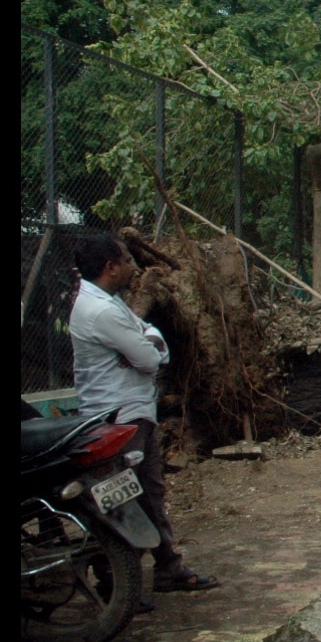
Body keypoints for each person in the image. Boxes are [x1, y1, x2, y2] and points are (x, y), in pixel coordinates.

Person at [70, 232, 218, 595]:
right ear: (111, 267)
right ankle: (117, 583)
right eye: (126, 260)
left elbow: (150, 340)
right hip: (117, 417)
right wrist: (146, 346)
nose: (132, 267)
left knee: (148, 492)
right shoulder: (101, 310)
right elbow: (151, 358)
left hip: (133, 411)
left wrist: (146, 341)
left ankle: (168, 566)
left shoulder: (109, 302)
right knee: (123, 498)